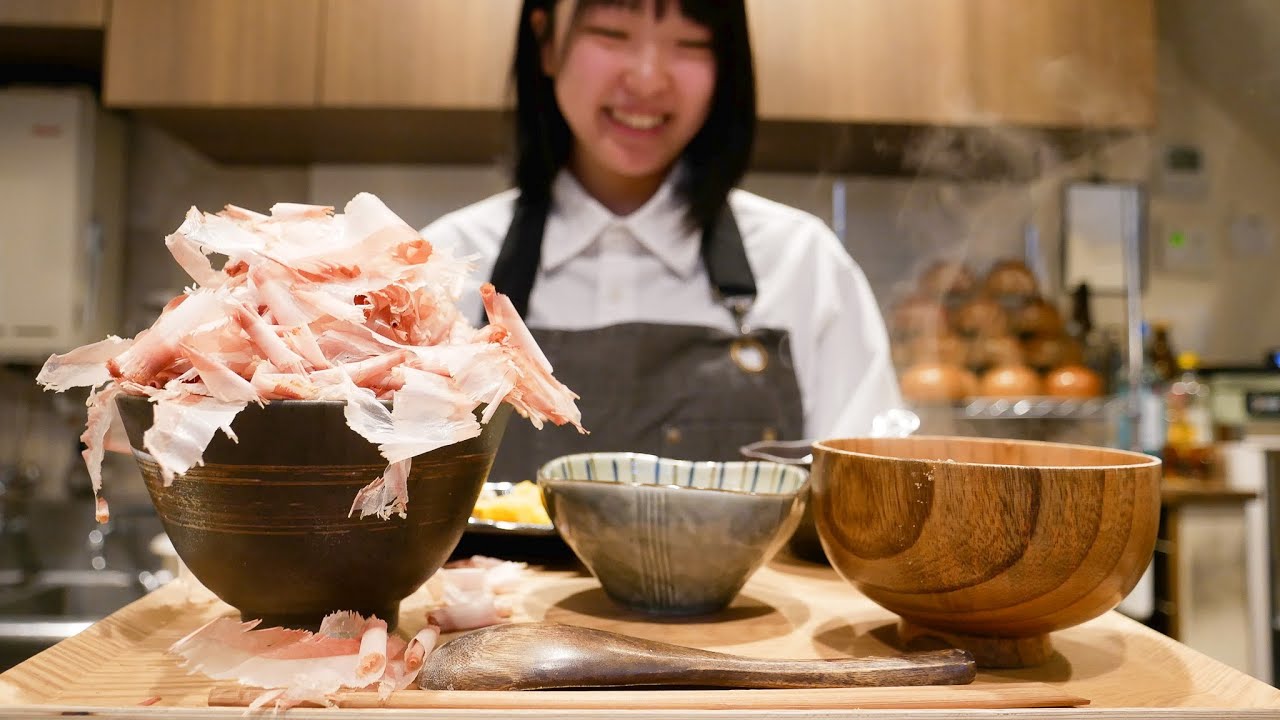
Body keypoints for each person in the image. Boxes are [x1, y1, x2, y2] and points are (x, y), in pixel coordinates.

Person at [423, 0, 901, 484]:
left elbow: (873, 504)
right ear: (546, 43)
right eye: (612, 32)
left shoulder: (803, 265)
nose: (648, 79)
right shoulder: (439, 269)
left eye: (690, 43)